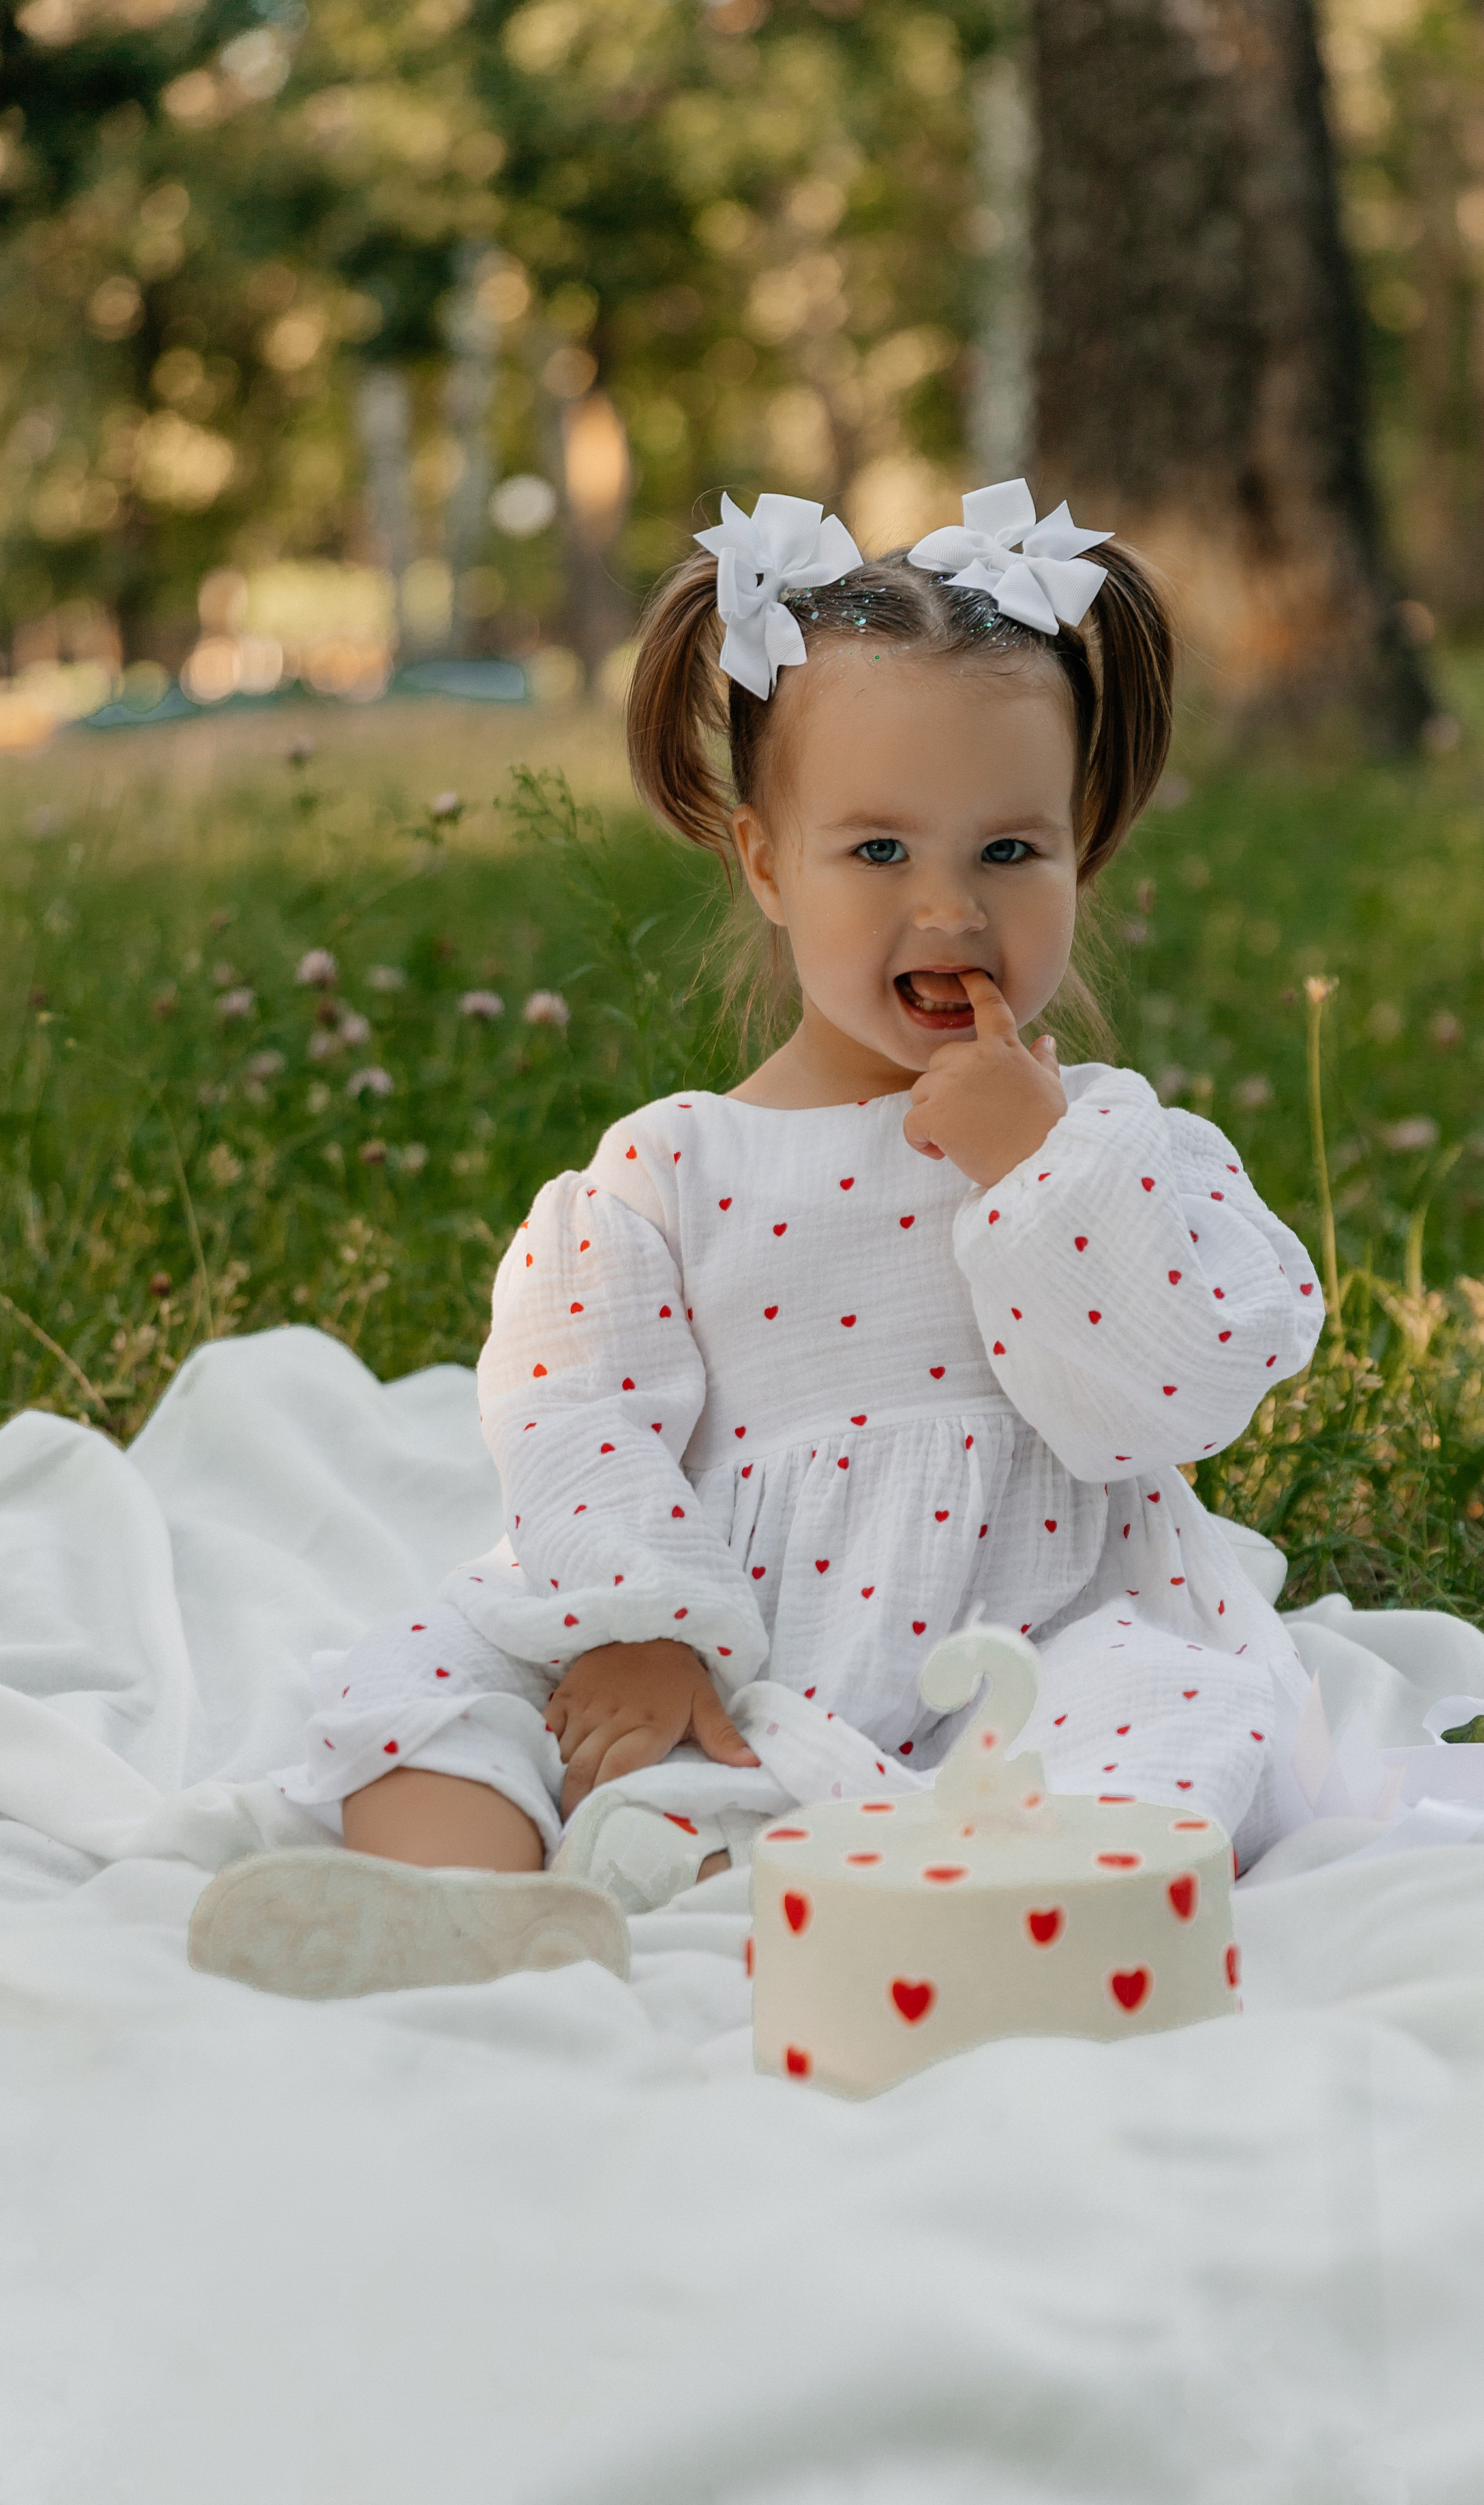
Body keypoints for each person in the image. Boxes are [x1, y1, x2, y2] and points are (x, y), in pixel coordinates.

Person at [190, 481, 1323, 1999]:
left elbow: (1172, 1392)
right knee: (431, 1694)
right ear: (765, 863)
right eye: (874, 853)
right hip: (728, 1626)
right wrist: (643, 1627)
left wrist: (1030, 1169)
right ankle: (458, 1904)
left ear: (1080, 856)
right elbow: (575, 1418)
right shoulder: (671, 1169)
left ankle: (801, 1898)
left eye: (1008, 851)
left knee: (1160, 1722)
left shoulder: (1111, 1148)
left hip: (1024, 1636)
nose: (947, 906)